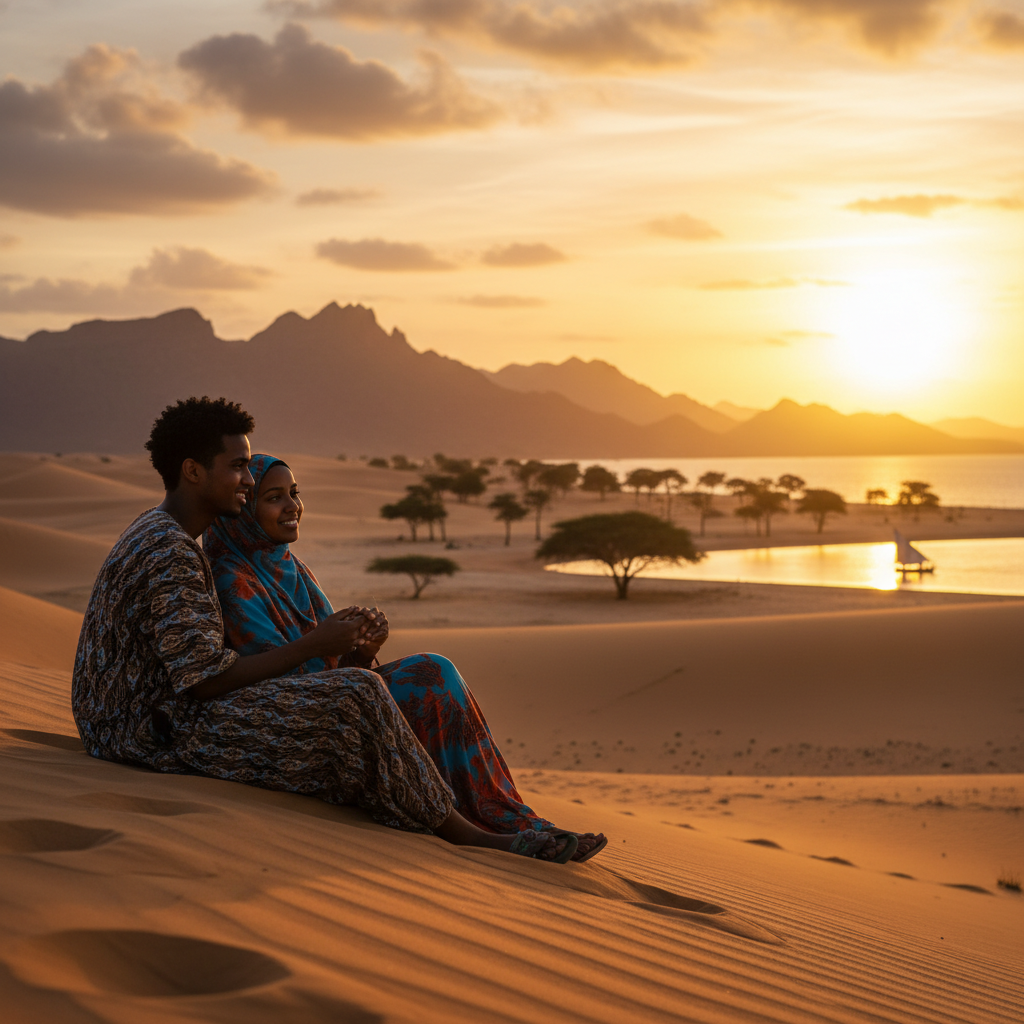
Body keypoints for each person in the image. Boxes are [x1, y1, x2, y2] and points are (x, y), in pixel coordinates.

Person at [72, 397, 585, 863]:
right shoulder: (172, 551)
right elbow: (203, 679)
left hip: (155, 717)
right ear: (192, 471)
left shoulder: (168, 535)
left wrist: (351, 649)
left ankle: (499, 814)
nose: (248, 482)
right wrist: (320, 644)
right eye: (237, 469)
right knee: (356, 695)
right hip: (146, 732)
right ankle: (463, 834)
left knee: (417, 676)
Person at [202, 452, 607, 862]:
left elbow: (341, 679)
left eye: (294, 493)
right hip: (287, 727)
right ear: (244, 511)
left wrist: (362, 650)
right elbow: (280, 689)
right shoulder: (231, 578)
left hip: (334, 702)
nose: (292, 505)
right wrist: (324, 644)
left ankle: (512, 819)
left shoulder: (290, 568)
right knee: (429, 673)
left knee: (433, 670)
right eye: (273, 497)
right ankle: (470, 826)